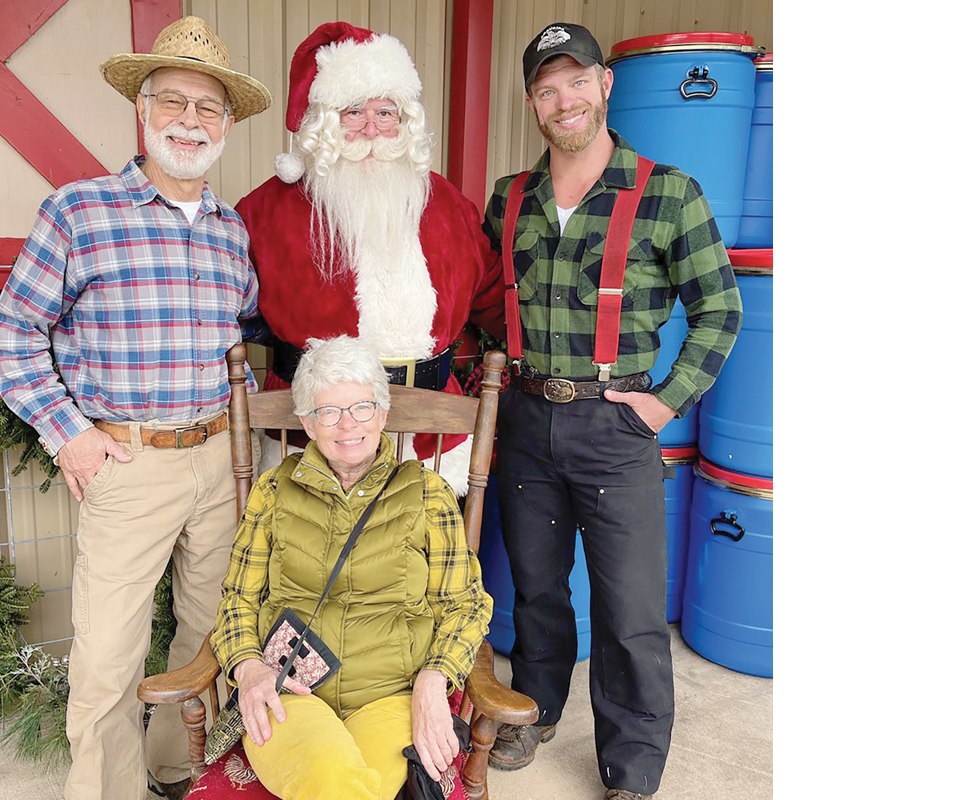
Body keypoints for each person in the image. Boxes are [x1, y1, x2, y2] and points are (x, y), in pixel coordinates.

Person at [0, 16, 271, 800]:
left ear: (227, 124)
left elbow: (236, 341)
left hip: (220, 464)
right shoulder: (79, 212)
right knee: (109, 655)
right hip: (128, 462)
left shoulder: (230, 232)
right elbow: (12, 336)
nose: (189, 120)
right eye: (171, 101)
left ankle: (177, 772)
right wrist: (67, 432)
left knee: (210, 631)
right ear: (141, 113)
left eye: (207, 107)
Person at [481, 23, 744, 800]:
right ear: (533, 101)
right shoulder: (511, 197)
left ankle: (631, 767)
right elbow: (488, 306)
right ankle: (535, 709)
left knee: (630, 611)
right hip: (527, 421)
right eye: (545, 87)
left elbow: (721, 311)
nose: (562, 100)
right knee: (536, 589)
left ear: (604, 85)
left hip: (615, 426)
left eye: (575, 81)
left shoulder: (669, 192)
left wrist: (665, 403)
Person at [210, 335, 492, 800]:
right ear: (306, 421)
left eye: (361, 407)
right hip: (290, 693)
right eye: (328, 411)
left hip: (393, 694)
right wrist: (247, 667)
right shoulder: (273, 491)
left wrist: (433, 679)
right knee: (331, 783)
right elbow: (237, 599)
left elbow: (466, 605)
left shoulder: (426, 493)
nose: (347, 425)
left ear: (382, 413)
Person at [235, 22, 506, 495]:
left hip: (430, 431)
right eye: (353, 111)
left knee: (421, 562)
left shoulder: (447, 205)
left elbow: (495, 296)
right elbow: (230, 310)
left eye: (386, 112)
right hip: (308, 436)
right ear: (323, 121)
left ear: (406, 123)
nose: (371, 129)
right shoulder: (264, 210)